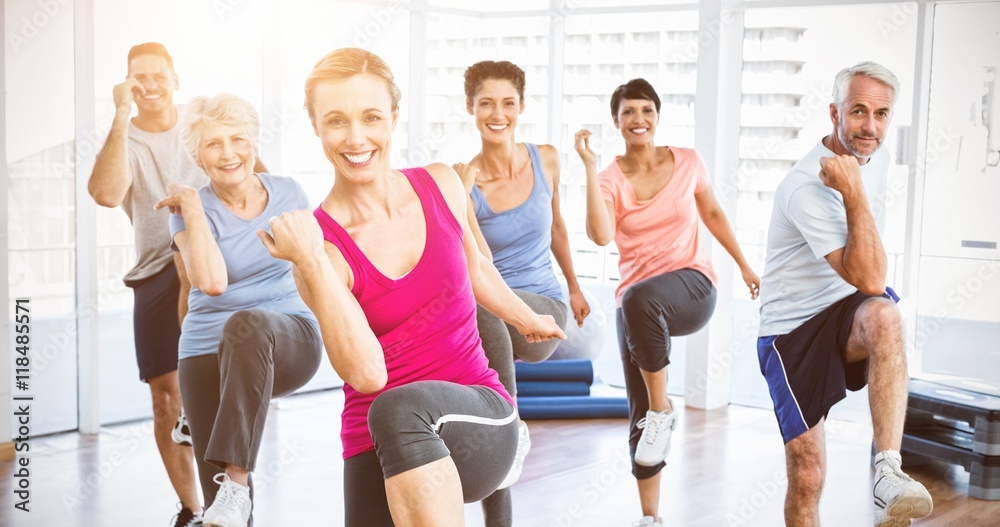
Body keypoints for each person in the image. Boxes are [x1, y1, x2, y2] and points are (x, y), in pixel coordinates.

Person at [259, 47, 566, 527]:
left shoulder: (441, 183)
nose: (356, 137)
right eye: (337, 120)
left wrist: (526, 317)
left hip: (477, 416)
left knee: (399, 408)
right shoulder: (319, 250)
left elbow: (477, 269)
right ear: (315, 125)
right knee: (390, 411)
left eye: (371, 117)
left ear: (394, 117)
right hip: (375, 435)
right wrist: (314, 261)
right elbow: (367, 375)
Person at [574, 78, 760, 527]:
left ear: (657, 116)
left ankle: (664, 409)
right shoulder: (609, 179)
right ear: (617, 122)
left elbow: (712, 213)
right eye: (628, 113)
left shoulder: (688, 162)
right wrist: (588, 166)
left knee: (641, 302)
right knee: (639, 419)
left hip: (693, 288)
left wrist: (744, 265)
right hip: (636, 305)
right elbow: (600, 235)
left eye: (646, 110)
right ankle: (650, 517)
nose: (638, 120)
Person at [756, 62, 932, 527]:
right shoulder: (802, 187)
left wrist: (858, 187)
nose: (870, 126)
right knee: (808, 472)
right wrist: (853, 193)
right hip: (792, 330)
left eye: (881, 113)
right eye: (858, 111)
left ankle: (886, 472)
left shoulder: (880, 155)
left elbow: (870, 286)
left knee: (886, 316)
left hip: (844, 307)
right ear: (834, 113)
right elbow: (870, 278)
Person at [154, 93, 322, 527]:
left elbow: (315, 266)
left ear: (254, 143)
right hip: (206, 351)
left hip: (288, 338)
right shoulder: (186, 212)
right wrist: (192, 207)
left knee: (247, 325)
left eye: (238, 139)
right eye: (213, 144)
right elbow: (210, 283)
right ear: (197, 155)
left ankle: (238, 478)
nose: (228, 153)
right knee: (221, 511)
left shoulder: (289, 193)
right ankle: (233, 490)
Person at [453, 60, 592, 520]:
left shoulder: (546, 158)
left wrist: (574, 287)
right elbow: (481, 264)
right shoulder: (464, 181)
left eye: (508, 103)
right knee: (490, 428)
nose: (498, 113)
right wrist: (461, 198)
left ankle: (507, 424)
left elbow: (557, 228)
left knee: (485, 312)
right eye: (486, 103)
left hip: (543, 310)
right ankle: (504, 437)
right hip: (491, 314)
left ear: (521, 107)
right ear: (470, 108)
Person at [88, 42, 212, 527]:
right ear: (127, 85)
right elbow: (104, 193)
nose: (150, 85)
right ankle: (192, 508)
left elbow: (254, 174)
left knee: (219, 391)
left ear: (176, 79)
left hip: (212, 264)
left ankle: (231, 494)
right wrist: (121, 113)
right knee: (166, 399)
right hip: (155, 272)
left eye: (159, 75)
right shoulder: (127, 139)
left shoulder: (201, 124)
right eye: (139, 78)